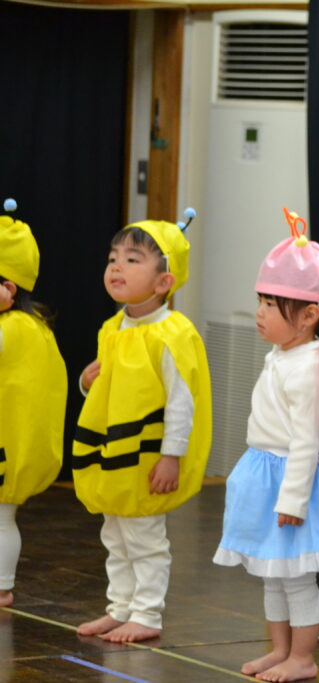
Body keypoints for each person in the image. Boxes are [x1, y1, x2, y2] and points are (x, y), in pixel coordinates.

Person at [213, 209, 319, 683]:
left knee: (296, 578)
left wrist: (293, 500)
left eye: (271, 305)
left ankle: (303, 657)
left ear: (310, 315)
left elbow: (306, 442)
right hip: (265, 473)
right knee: (272, 574)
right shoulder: (284, 354)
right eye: (260, 301)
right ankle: (280, 649)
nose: (260, 313)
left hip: (292, 481)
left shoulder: (310, 368)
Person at [73, 210, 212, 643]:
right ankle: (120, 607)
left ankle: (147, 613)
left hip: (146, 459)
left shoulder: (172, 333)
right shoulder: (113, 327)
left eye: (132, 260)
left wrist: (171, 456)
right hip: (115, 455)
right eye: (113, 258)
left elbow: (182, 402)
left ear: (164, 281)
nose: (117, 267)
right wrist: (86, 383)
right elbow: (109, 389)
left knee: (144, 537)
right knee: (115, 534)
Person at [0, 198, 68, 609]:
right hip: (14, 447)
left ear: (8, 288)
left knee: (1, 517)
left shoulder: (13, 329)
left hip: (6, 450)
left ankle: (2, 586)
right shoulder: (34, 326)